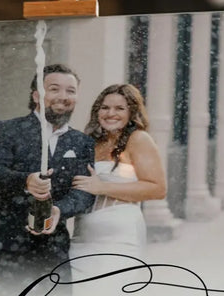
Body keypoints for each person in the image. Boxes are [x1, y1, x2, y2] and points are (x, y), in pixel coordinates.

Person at [0, 63, 95, 296]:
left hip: (54, 244)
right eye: (54, 89)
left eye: (71, 91)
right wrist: (25, 181)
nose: (63, 96)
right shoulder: (6, 130)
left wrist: (61, 209)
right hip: (6, 241)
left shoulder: (82, 143)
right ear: (36, 95)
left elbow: (84, 193)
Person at [68, 84, 167, 281]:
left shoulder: (139, 139)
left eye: (119, 108)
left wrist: (102, 187)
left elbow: (158, 188)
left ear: (132, 112)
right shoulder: (90, 141)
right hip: (82, 236)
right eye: (105, 108)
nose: (110, 113)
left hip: (119, 237)